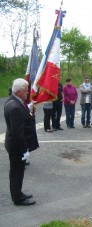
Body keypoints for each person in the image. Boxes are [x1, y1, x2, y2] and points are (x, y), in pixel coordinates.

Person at [4, 78, 39, 206]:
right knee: (16, 173)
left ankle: (18, 193)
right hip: (16, 146)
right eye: (25, 91)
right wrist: (24, 150)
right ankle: (17, 198)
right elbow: (18, 133)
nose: (27, 93)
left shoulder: (13, 101)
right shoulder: (15, 107)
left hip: (13, 144)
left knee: (17, 172)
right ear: (18, 92)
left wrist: (30, 110)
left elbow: (24, 118)